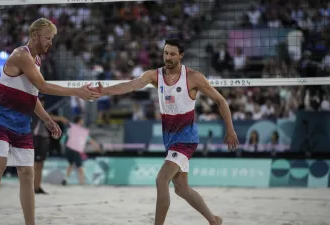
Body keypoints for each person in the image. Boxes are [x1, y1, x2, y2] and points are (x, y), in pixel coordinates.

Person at [90, 38, 239, 225]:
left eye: (172, 54)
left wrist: (230, 130)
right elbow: (131, 85)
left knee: (161, 180)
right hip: (170, 138)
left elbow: (221, 101)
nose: (167, 57)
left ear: (181, 56)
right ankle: (213, 220)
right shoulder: (155, 75)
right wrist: (106, 91)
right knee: (181, 189)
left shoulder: (194, 77)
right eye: (165, 53)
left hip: (186, 139)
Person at [0, 18, 101, 225]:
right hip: (0, 119)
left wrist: (47, 120)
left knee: (27, 174)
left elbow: (32, 95)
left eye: (52, 39)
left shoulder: (37, 61)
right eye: (48, 38)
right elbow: (43, 86)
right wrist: (77, 92)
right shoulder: (21, 55)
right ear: (35, 36)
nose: (51, 43)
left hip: (21, 124)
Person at [32, 95, 69, 194]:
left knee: (40, 164)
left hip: (43, 138)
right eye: (40, 100)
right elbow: (48, 117)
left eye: (43, 101)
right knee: (36, 164)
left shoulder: (43, 111)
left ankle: (37, 186)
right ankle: (34, 187)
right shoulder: (36, 110)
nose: (42, 103)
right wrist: (60, 118)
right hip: (37, 138)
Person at [62, 115, 101, 185]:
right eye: (82, 120)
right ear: (79, 121)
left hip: (68, 149)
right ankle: (82, 183)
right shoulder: (80, 130)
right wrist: (96, 146)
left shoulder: (69, 128)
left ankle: (65, 179)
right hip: (75, 149)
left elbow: (63, 139)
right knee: (80, 168)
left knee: (70, 164)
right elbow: (88, 139)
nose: (83, 121)